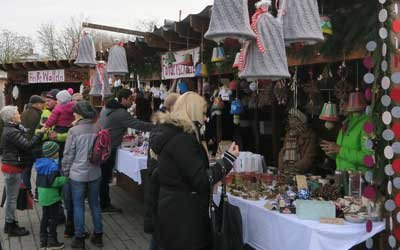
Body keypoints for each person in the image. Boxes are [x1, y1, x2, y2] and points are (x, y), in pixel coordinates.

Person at [150, 92, 239, 250]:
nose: (206, 118)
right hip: (184, 220)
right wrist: (228, 160)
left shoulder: (174, 135)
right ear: (193, 111)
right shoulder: (183, 140)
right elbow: (202, 181)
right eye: (203, 113)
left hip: (174, 213)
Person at [98, 88, 154, 213]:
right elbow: (137, 124)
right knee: (105, 176)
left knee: (103, 176)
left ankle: (101, 202)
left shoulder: (107, 108)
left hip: (104, 145)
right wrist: (157, 126)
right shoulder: (120, 112)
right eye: (130, 99)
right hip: (109, 147)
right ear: (123, 99)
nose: (132, 101)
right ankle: (104, 205)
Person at [0, 106, 47, 237]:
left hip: (12, 166)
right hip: (12, 167)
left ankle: (11, 223)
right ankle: (10, 225)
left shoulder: (13, 128)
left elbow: (25, 135)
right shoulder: (11, 131)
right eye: (17, 113)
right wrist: (40, 132)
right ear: (11, 118)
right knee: (11, 199)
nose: (19, 114)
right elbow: (27, 145)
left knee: (11, 197)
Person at [62, 101, 103, 249]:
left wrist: (65, 172)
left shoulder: (74, 131)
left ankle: (79, 238)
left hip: (77, 174)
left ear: (80, 114)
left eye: (75, 112)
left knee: (78, 205)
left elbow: (68, 155)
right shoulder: (98, 127)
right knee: (95, 204)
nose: (73, 114)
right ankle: (98, 235)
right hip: (95, 172)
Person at [144, 92, 179, 250]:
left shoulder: (162, 124)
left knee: (160, 227)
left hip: (158, 179)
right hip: (163, 181)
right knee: (162, 227)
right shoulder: (167, 126)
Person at [35, 141, 67, 250]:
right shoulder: (53, 165)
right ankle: (52, 241)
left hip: (43, 195)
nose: (58, 153)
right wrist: (65, 178)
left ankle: (43, 240)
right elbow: (54, 182)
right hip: (52, 196)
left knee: (45, 217)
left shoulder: (40, 163)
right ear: (53, 153)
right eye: (57, 151)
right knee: (53, 219)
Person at [278, 108, 317, 174]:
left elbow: (308, 158)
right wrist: (282, 167)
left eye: (293, 118)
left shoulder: (310, 135)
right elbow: (283, 151)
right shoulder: (289, 133)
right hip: (287, 171)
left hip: (304, 173)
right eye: (289, 118)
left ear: (300, 120)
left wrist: (292, 169)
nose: (290, 121)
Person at [21, 95, 45, 196]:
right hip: (37, 145)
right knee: (41, 170)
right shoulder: (40, 114)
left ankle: (27, 194)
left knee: (26, 171)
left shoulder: (23, 113)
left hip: (25, 145)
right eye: (41, 104)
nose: (43, 105)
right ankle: (38, 194)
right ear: (36, 104)